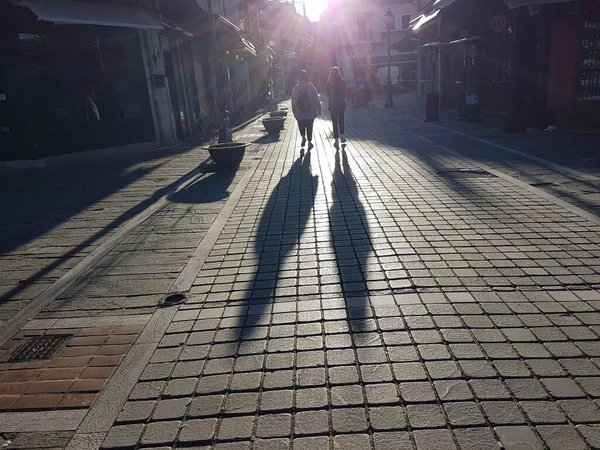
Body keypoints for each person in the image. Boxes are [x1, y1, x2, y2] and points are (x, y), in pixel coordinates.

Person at [291, 70, 321, 149]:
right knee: (309, 126)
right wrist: (319, 109)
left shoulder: (296, 88)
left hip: (299, 111)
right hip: (310, 111)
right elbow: (316, 99)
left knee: (301, 124)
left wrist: (294, 112)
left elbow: (293, 101)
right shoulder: (311, 87)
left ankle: (303, 137)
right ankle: (309, 142)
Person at [326, 66, 347, 147]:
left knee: (334, 122)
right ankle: (342, 136)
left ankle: (336, 139)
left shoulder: (329, 82)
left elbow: (328, 94)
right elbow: (345, 93)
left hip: (333, 104)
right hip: (341, 103)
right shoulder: (342, 82)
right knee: (341, 120)